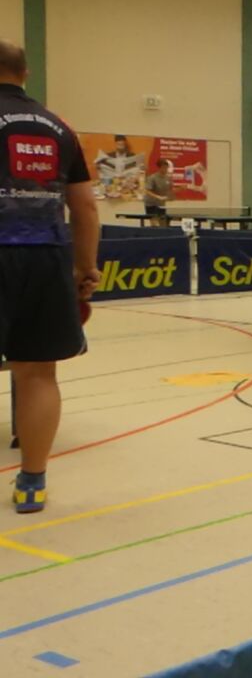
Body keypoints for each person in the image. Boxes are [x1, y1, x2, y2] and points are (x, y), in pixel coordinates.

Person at [0, 40, 101, 513]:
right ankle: (32, 482)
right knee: (38, 373)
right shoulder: (59, 127)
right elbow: (85, 207)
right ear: (26, 73)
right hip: (47, 257)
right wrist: (86, 267)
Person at [143, 158, 173, 226]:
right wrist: (158, 197)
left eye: (167, 167)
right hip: (151, 204)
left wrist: (180, 189)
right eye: (164, 167)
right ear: (160, 168)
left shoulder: (168, 178)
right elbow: (147, 191)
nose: (166, 169)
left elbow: (170, 190)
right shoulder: (152, 178)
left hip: (161, 204)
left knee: (163, 224)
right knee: (155, 225)